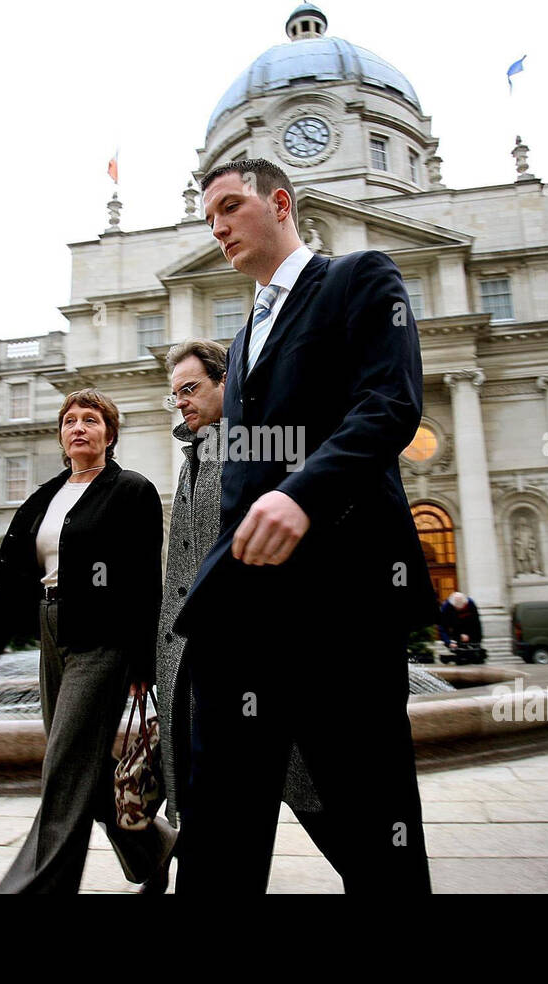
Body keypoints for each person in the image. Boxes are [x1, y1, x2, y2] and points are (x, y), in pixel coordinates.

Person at [174, 158, 437, 894]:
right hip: (242, 605)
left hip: (340, 596)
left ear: (280, 202)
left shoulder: (359, 278)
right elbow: (245, 476)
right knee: (218, 812)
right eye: (208, 216)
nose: (218, 225)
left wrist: (305, 494)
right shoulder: (248, 331)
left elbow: (389, 406)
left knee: (372, 808)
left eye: (230, 205)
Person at [150, 337, 347, 893]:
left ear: (224, 383)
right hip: (194, 663)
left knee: (315, 798)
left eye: (190, 389)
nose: (181, 402)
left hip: (256, 660)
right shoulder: (191, 458)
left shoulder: (258, 448)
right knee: (210, 807)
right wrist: (161, 655)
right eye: (174, 396)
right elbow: (177, 574)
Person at [0, 388, 176, 894]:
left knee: (63, 766)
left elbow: (147, 580)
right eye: (70, 421)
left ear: (110, 433)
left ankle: (35, 887)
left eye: (91, 420)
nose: (79, 427)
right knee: (85, 767)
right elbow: (15, 574)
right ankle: (154, 846)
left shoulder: (131, 490)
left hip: (103, 638)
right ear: (61, 435)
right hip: (51, 628)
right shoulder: (45, 496)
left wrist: (144, 663)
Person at [438, 592, 483, 662]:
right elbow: (442, 627)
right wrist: (448, 642)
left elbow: (477, 623)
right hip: (455, 629)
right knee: (459, 652)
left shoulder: (470, 603)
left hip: (469, 628)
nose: (460, 610)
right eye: (457, 608)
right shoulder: (446, 607)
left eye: (463, 607)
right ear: (453, 605)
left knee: (475, 654)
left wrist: (475, 639)